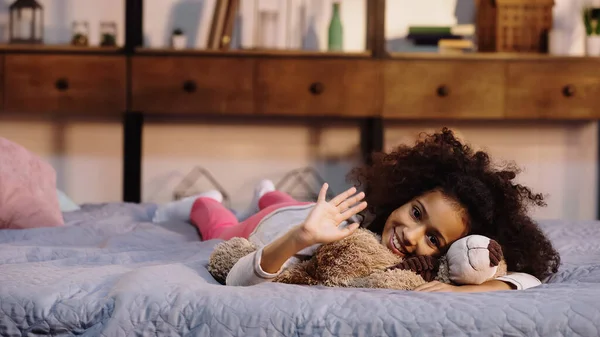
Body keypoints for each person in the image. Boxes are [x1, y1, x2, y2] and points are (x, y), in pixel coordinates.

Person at [153, 128, 560, 292]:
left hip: (307, 213)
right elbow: (238, 282)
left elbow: (527, 279)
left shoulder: (416, 266)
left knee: (290, 203)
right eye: (417, 214)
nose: (411, 236)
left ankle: (269, 192)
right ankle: (204, 199)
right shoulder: (334, 240)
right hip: (274, 229)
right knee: (218, 226)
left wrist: (482, 289)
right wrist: (300, 238)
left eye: (434, 239)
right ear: (403, 196)